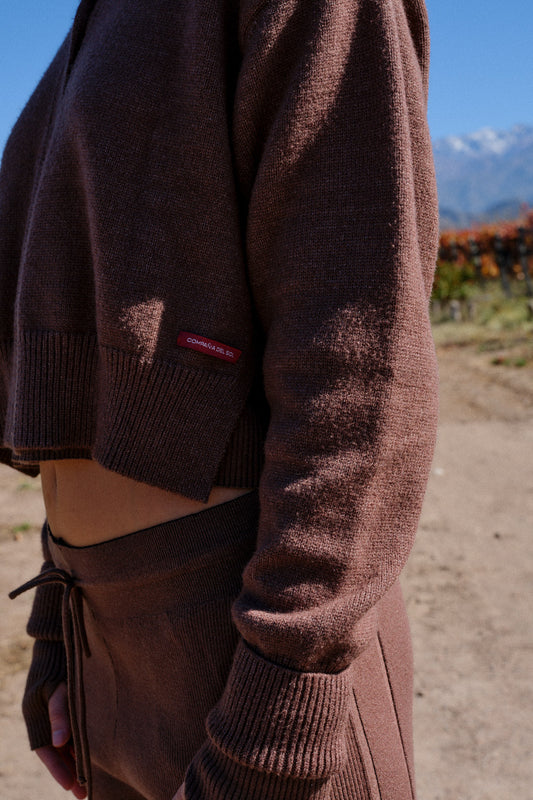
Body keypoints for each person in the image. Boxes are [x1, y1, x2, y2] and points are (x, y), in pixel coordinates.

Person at [3, 0, 440, 798]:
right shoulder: (97, 21)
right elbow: (93, 404)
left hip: (239, 641)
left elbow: (359, 370)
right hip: (106, 639)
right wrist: (59, 630)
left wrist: (281, 702)